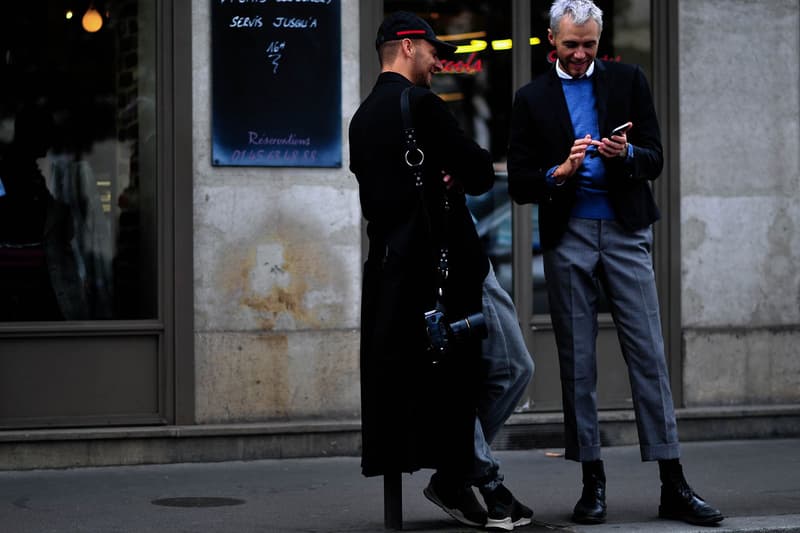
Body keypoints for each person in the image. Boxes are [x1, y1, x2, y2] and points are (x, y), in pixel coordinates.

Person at [507, 0, 723, 527]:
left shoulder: (629, 80)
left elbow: (655, 157)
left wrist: (624, 155)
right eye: (571, 44)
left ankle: (673, 483)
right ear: (550, 40)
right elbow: (518, 182)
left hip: (627, 231)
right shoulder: (531, 98)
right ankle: (592, 483)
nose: (580, 54)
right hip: (569, 234)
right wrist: (559, 171)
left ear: (599, 41)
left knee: (648, 354)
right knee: (577, 362)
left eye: (589, 45)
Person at [349, 11, 534, 531]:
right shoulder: (425, 105)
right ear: (408, 47)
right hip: (453, 267)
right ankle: (476, 479)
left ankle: (458, 475)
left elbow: (376, 198)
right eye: (432, 50)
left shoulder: (361, 119)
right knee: (503, 368)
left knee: (470, 375)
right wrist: (450, 170)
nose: (438, 60)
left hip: (401, 275)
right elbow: (477, 171)